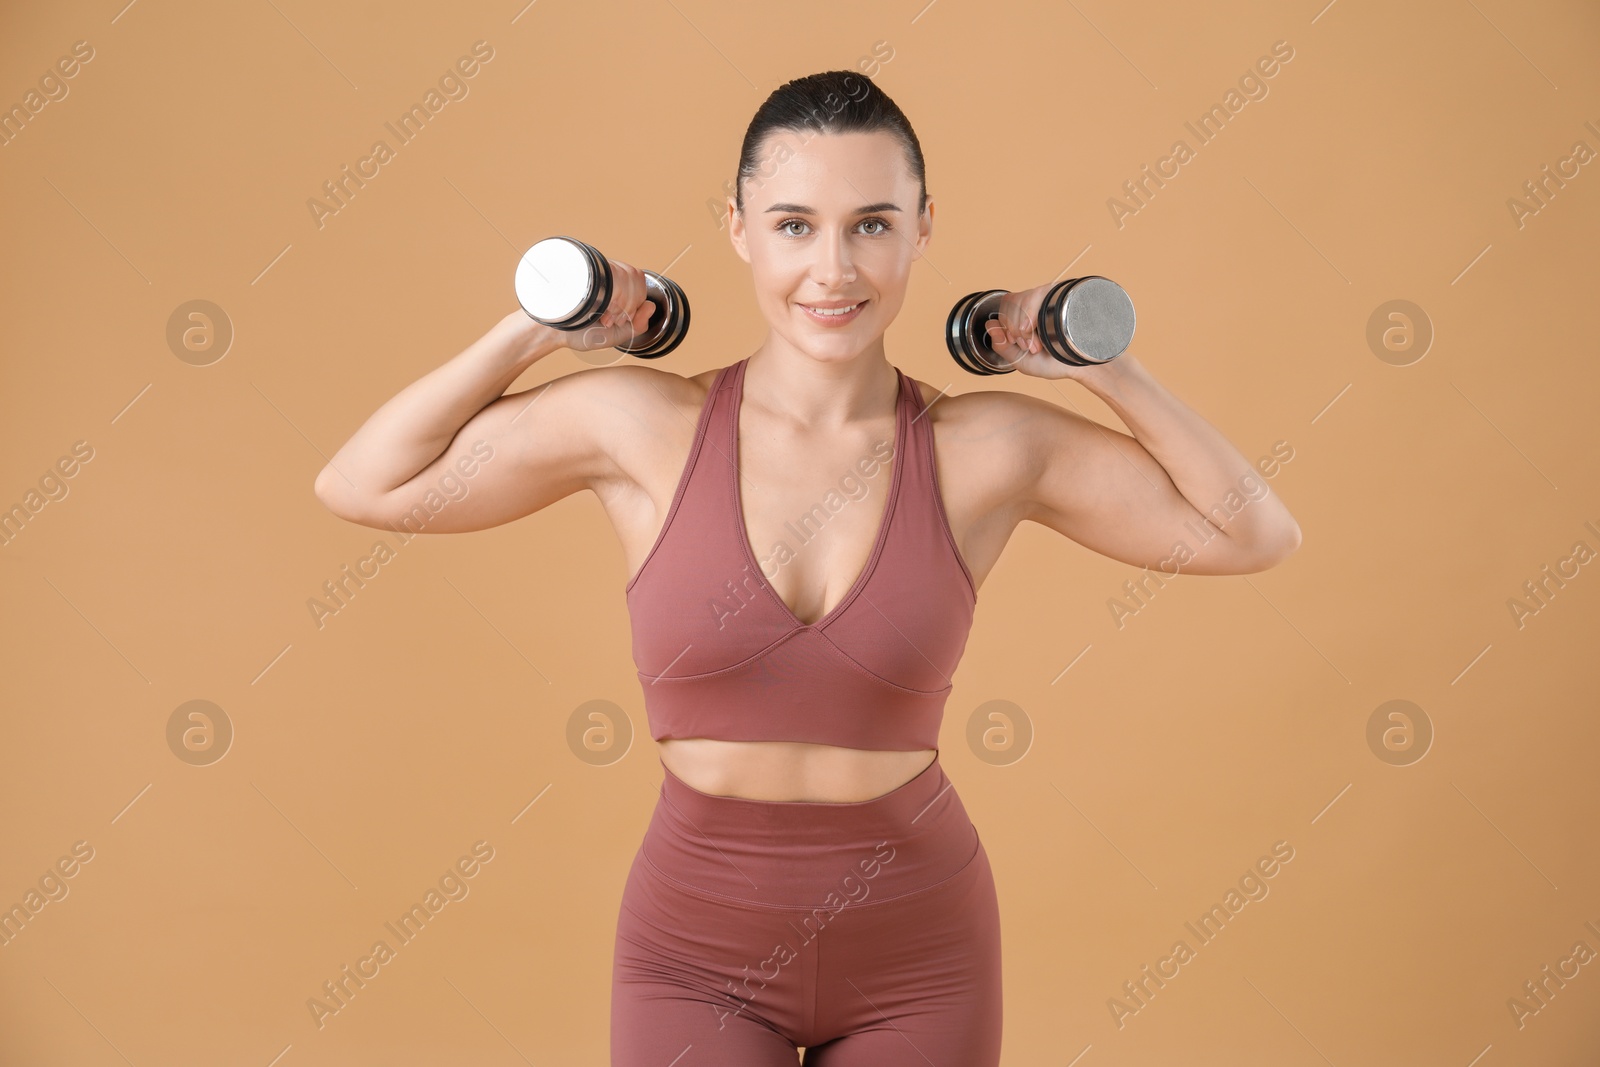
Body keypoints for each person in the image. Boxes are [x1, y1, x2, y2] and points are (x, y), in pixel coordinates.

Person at [313, 69, 1301, 1066]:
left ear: (922, 230)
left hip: (920, 949)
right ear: (737, 228)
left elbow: (1250, 532)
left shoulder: (984, 446)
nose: (831, 270)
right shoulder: (639, 427)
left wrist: (1100, 364)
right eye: (793, 225)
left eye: (871, 224)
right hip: (692, 950)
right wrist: (539, 324)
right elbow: (365, 482)